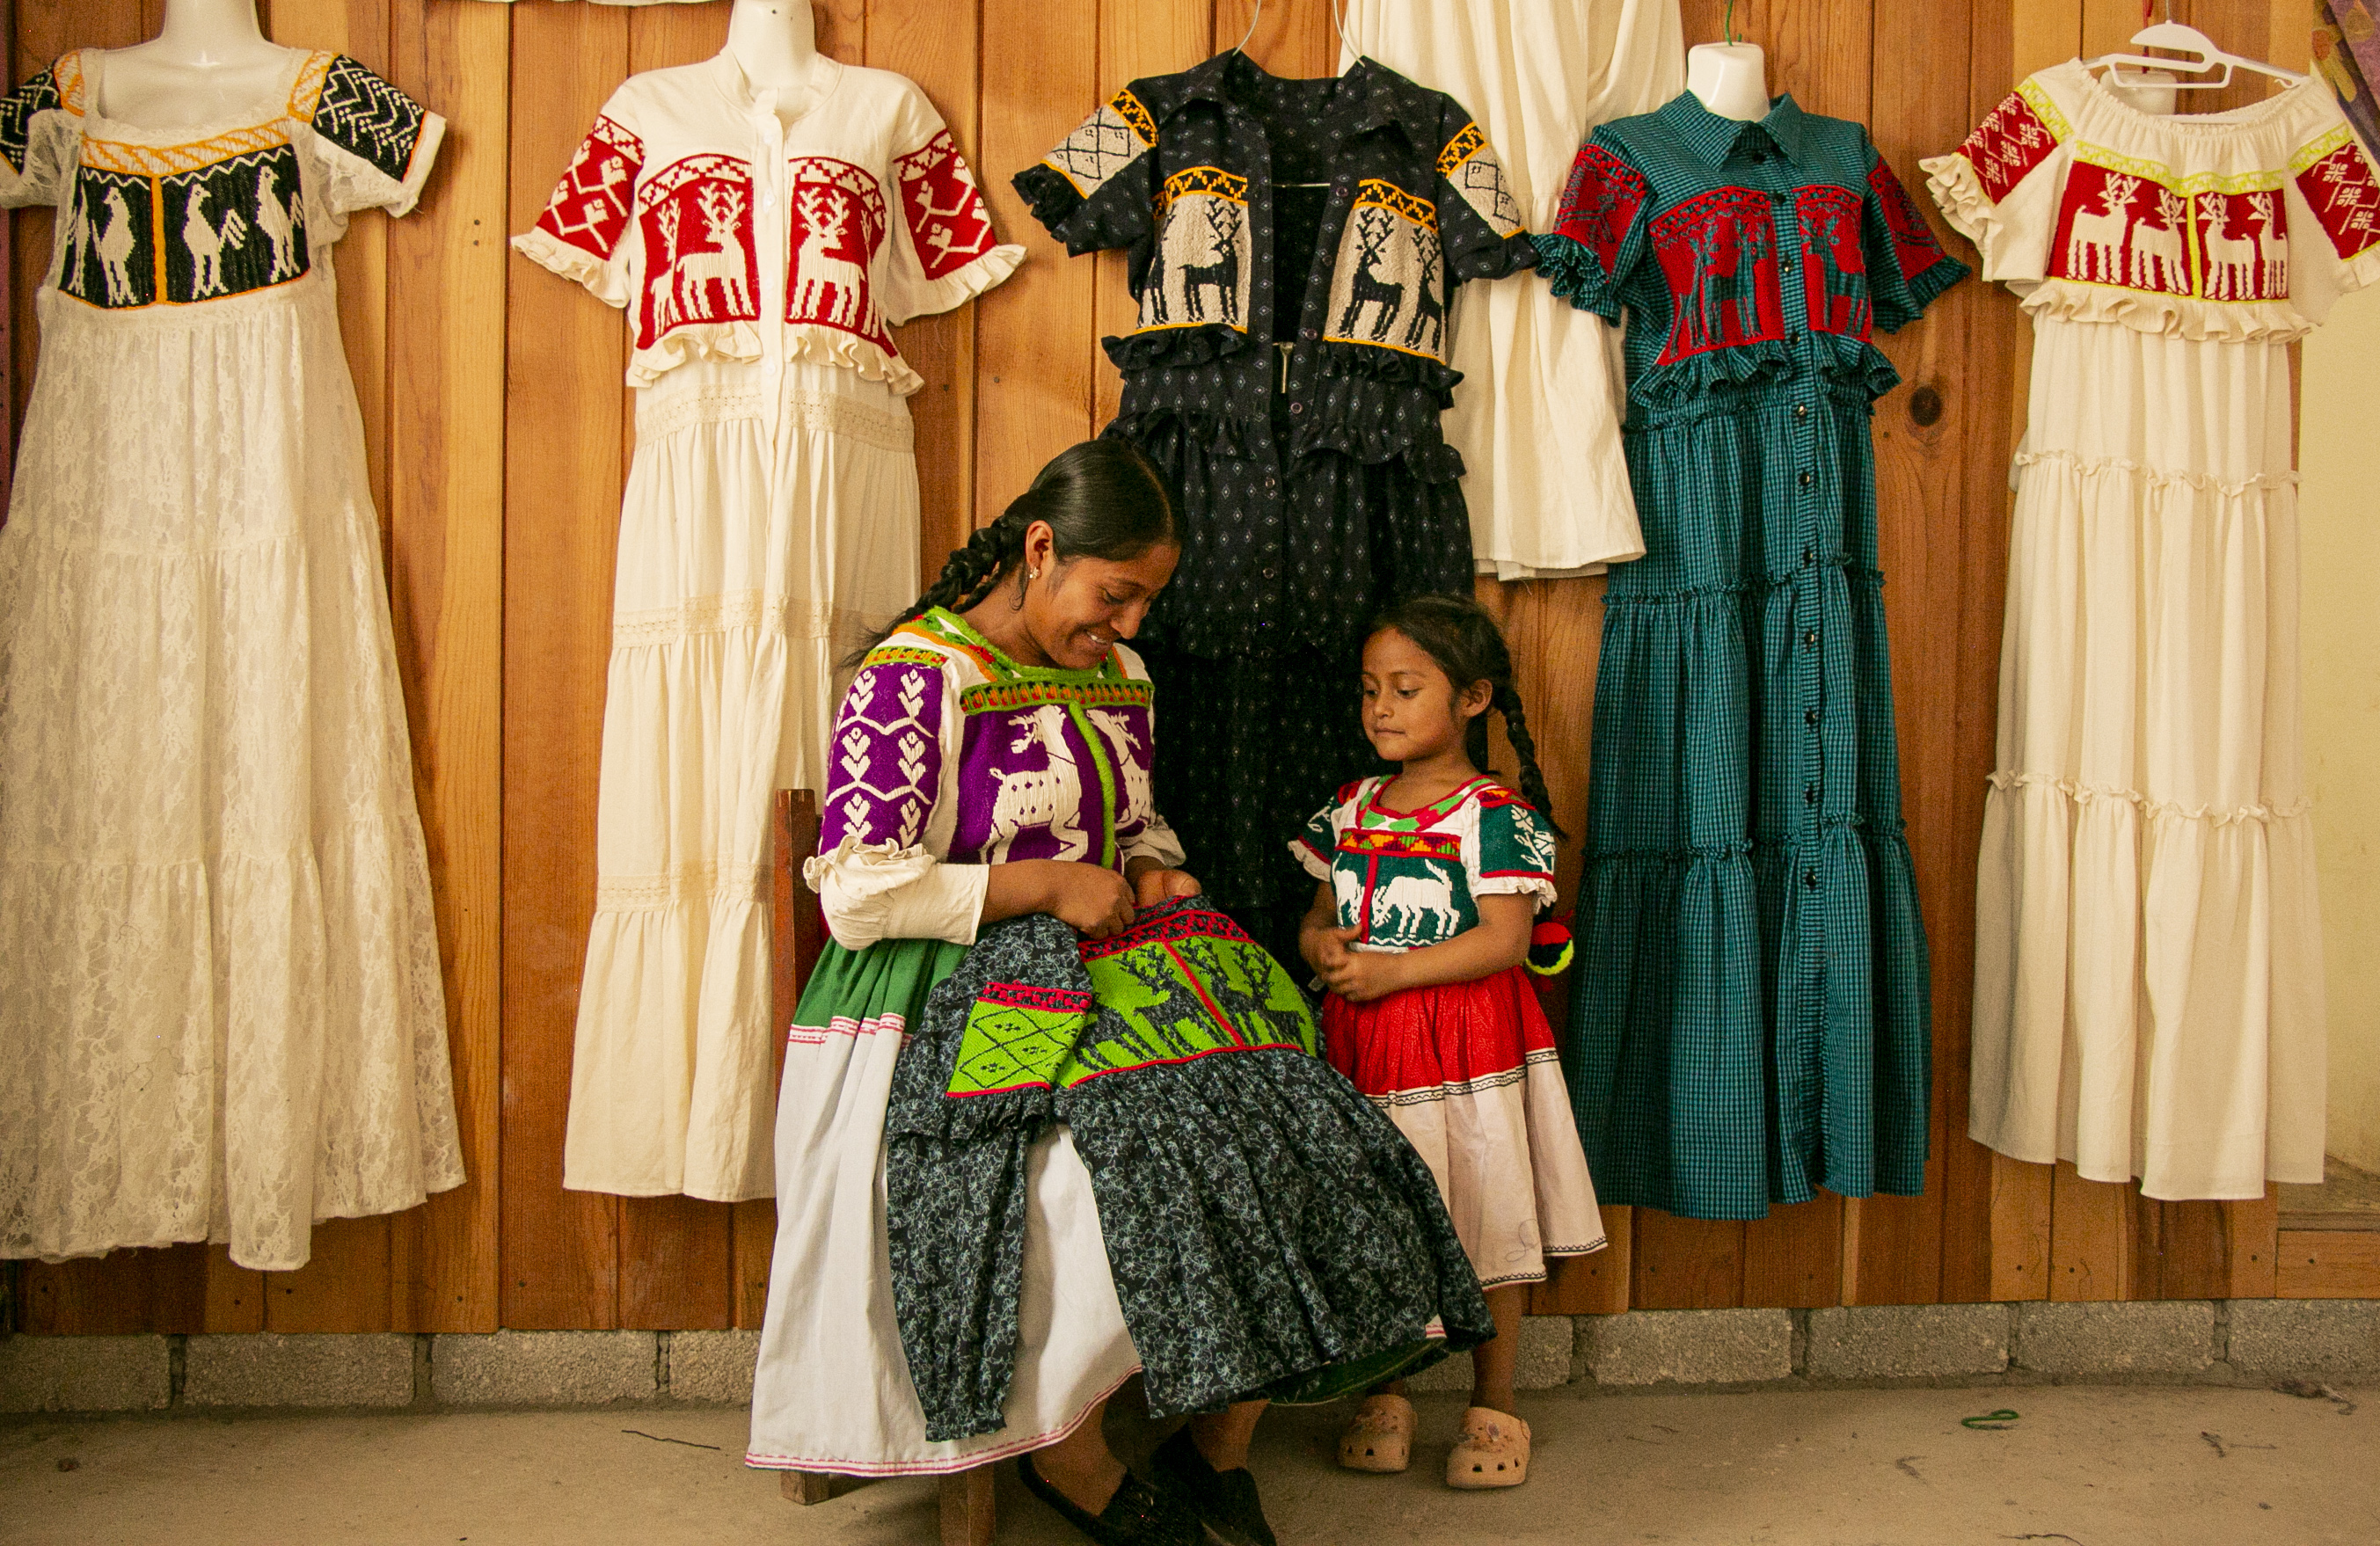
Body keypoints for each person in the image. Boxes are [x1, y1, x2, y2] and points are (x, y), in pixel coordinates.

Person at [745, 441, 1490, 1546]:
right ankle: (1069, 1457)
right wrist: (1047, 884)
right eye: (1116, 596)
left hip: (1108, 969)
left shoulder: (1118, 678)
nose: (1131, 626)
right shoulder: (917, 677)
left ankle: (1215, 1447)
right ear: (1041, 550)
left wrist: (1149, 870)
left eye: (1144, 601)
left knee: (1285, 1123)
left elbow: (1135, 822)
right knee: (1080, 1175)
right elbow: (856, 895)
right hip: (941, 989)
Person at [1294, 593, 1608, 1491]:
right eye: (1369, 690)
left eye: (1404, 688)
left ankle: (1496, 1400)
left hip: (1469, 1045)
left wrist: (1394, 973)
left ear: (1471, 699)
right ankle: (1386, 1391)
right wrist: (1320, 945)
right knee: (1384, 1215)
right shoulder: (1351, 807)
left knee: (1487, 1206)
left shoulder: (1493, 814)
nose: (1380, 708)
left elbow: (1505, 941)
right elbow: (1321, 914)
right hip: (1365, 1045)